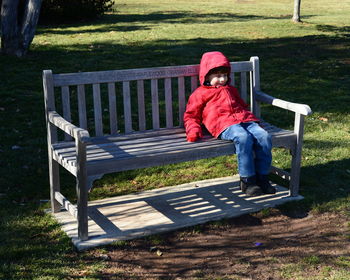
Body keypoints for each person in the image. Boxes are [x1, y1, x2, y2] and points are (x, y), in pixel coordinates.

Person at [184, 51, 276, 196]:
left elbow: (242, 106)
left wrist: (254, 122)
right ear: (206, 75)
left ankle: (263, 178)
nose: (222, 79)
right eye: (218, 76)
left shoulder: (231, 89)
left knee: (264, 136)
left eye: (225, 75)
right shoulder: (200, 93)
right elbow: (191, 115)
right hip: (222, 124)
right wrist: (193, 130)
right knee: (243, 137)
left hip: (245, 120)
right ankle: (248, 181)